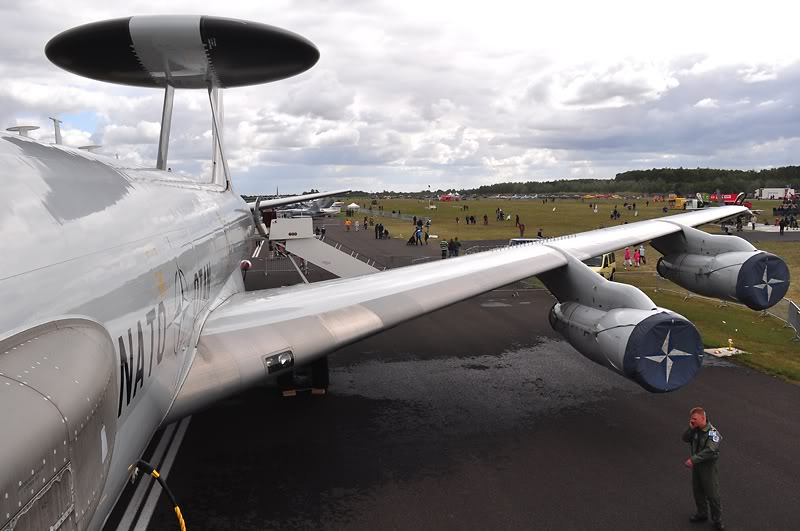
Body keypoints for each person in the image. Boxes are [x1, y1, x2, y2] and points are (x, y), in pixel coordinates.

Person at [682, 407, 724, 530]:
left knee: (712, 495)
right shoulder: (695, 430)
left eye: (694, 419)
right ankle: (702, 513)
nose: (692, 421)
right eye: (691, 419)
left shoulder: (713, 433)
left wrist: (693, 459)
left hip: (707, 468)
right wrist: (690, 428)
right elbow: (684, 438)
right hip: (697, 467)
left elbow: (711, 450)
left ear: (703, 418)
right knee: (698, 491)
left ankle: (717, 519)